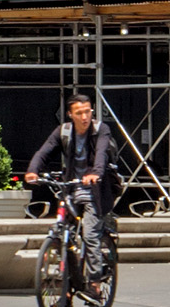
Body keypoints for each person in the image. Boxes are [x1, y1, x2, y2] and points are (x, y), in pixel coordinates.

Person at [25, 90, 112, 283]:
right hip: (71, 189)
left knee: (89, 235)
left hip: (94, 191)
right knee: (65, 234)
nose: (84, 117)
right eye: (79, 113)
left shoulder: (100, 129)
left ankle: (95, 281)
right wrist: (33, 170)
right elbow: (44, 151)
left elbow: (101, 154)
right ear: (70, 115)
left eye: (88, 112)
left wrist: (95, 174)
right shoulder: (63, 131)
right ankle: (67, 292)